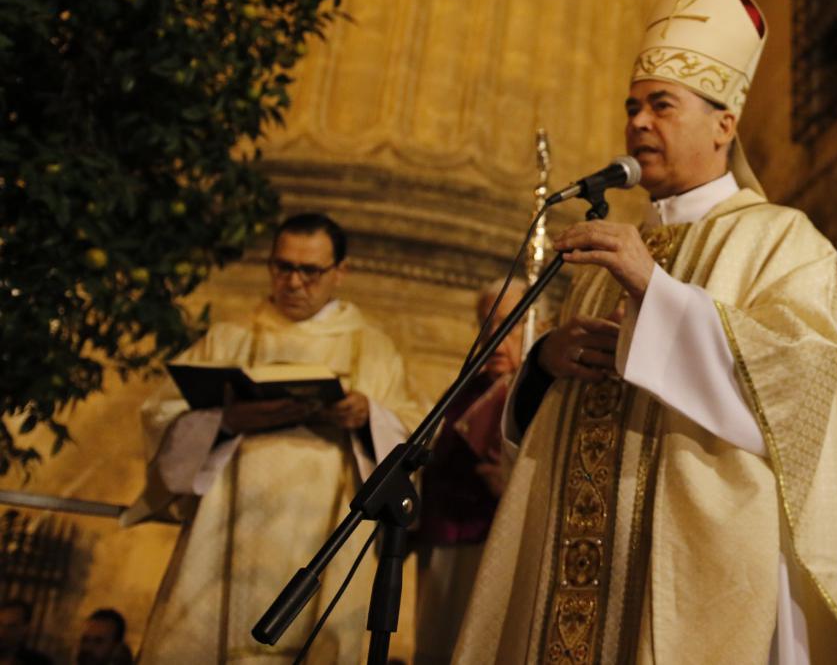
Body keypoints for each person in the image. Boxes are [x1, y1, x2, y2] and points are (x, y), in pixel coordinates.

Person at [450, 0, 837, 664]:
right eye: (632, 107)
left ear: (724, 126)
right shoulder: (611, 251)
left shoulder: (781, 240)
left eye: (662, 105)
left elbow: (800, 391)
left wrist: (654, 290)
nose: (638, 123)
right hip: (578, 563)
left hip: (701, 579)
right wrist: (544, 363)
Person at [122, 212, 420, 664]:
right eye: (283, 267)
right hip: (227, 526)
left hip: (328, 527)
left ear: (340, 271)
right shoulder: (230, 339)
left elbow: (414, 432)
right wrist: (227, 420)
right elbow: (161, 416)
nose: (294, 283)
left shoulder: (374, 349)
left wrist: (367, 415)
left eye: (310, 271)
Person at [413, 279, 526, 665]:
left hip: (500, 544)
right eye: (486, 324)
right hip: (446, 539)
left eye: (510, 324)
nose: (494, 337)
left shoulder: (540, 392)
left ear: (538, 327)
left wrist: (512, 486)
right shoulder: (465, 388)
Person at [0, 599, 51, 665]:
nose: (2, 632)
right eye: (0, 624)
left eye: (11, 627)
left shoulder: (39, 661)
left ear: (25, 629)